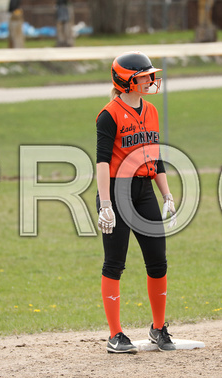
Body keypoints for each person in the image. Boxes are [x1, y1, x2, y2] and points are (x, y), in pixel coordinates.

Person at [96, 51, 177, 353]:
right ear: (125, 80)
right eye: (143, 76)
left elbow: (155, 157)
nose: (149, 80)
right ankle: (115, 335)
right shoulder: (109, 114)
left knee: (158, 259)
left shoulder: (152, 111)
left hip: (144, 190)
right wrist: (105, 204)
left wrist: (166, 194)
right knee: (114, 262)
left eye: (149, 75)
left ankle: (158, 329)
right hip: (116, 191)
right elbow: (102, 162)